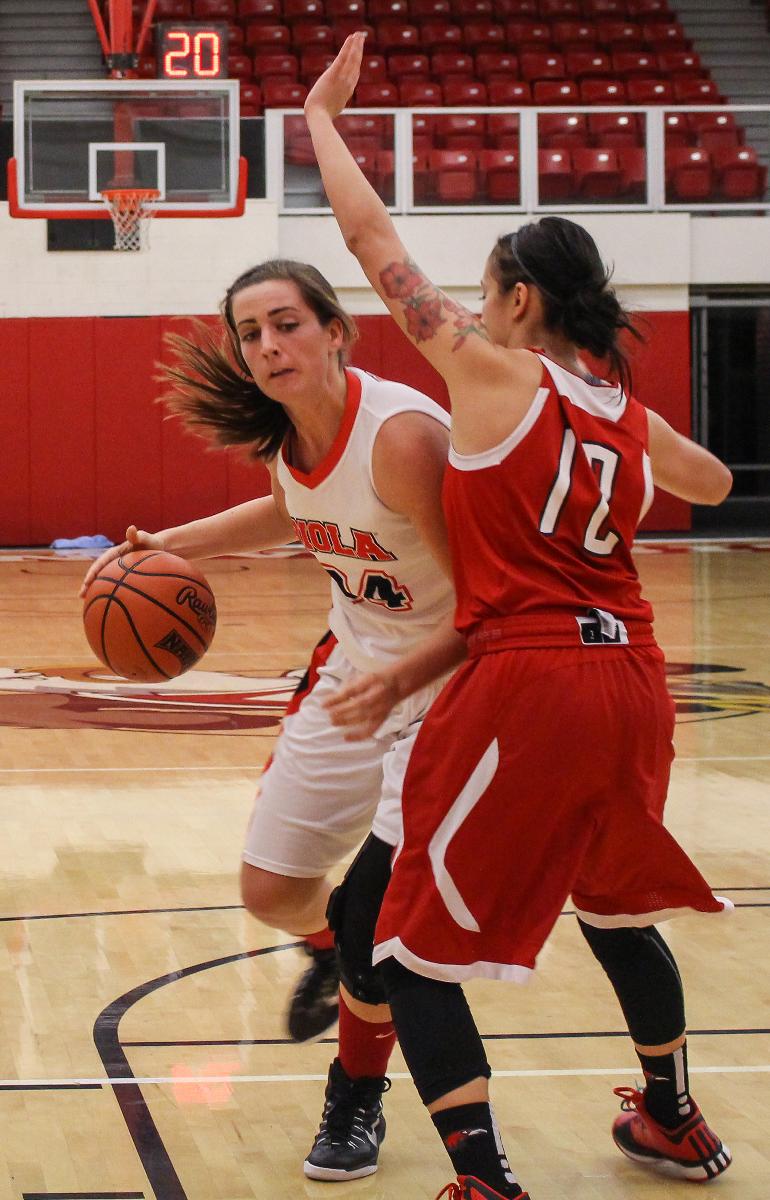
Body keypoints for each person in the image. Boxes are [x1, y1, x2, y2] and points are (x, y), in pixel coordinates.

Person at [303, 35, 735, 1200]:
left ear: (517, 299)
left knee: (401, 944)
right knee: (611, 908)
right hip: (635, 680)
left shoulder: (498, 377)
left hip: (530, 677)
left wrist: (321, 121)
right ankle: (670, 1118)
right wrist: (619, 424)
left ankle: (483, 1179)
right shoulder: (619, 409)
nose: (472, 311)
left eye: (488, 292)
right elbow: (712, 485)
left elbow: (370, 244)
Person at [81, 257, 465, 1180]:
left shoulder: (405, 437)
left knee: (382, 932)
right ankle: (341, 956)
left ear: (338, 331)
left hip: (449, 686)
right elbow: (291, 509)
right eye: (251, 333)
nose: (268, 345)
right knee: (269, 889)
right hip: (353, 673)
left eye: (287, 323)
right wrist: (167, 546)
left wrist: (415, 676)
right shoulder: (291, 437)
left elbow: (491, 597)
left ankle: (356, 1098)